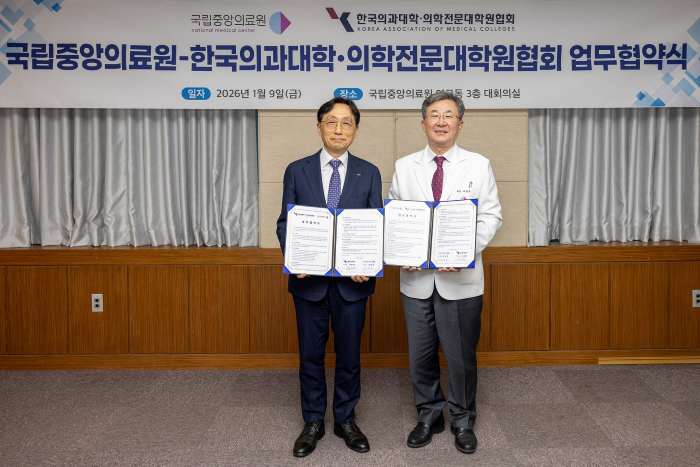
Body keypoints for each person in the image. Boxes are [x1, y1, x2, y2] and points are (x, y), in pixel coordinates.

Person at [387, 91, 502, 454]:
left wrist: (464, 250)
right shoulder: (405, 166)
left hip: (460, 281)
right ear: (423, 123)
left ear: (460, 124)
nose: (440, 121)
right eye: (434, 115)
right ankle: (428, 415)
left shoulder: (478, 165)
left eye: (448, 115)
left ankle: (463, 419)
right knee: (420, 356)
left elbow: (491, 216)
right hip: (416, 280)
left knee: (460, 357)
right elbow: (395, 216)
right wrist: (400, 249)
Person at [276, 97, 383, 458]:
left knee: (349, 356)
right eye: (331, 122)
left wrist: (368, 262)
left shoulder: (369, 172)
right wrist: (295, 256)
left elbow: (375, 226)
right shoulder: (297, 170)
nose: (339, 129)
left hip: (353, 285)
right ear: (319, 126)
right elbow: (284, 223)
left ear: (356, 129)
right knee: (310, 355)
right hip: (309, 283)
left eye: (347, 123)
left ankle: (345, 420)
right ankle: (312, 422)